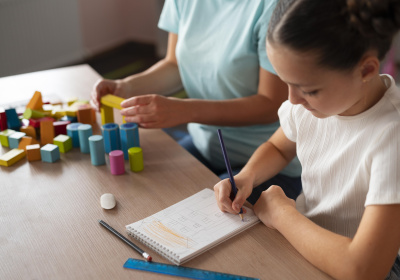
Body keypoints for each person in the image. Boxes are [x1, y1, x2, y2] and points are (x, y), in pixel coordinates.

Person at [214, 0, 400, 279]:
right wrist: (248, 175)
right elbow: (278, 147)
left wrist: (282, 215)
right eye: (285, 81)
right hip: (304, 235)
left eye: (308, 89)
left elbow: (364, 269)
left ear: (366, 70)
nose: (291, 99)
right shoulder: (311, 106)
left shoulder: (392, 136)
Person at [91, 0, 302, 202]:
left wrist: (186, 111)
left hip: (267, 162)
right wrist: (126, 87)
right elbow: (174, 64)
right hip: (203, 143)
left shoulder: (274, 5)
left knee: (210, 214)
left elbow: (271, 105)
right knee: (143, 192)